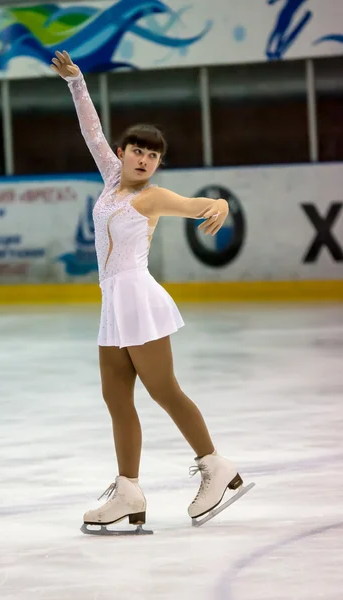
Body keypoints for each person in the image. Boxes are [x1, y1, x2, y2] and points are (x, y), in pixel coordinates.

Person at [51, 50, 246, 533]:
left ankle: (217, 467)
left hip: (137, 296)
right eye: (137, 150)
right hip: (113, 301)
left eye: (153, 155)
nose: (144, 159)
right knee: (116, 398)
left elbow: (195, 202)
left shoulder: (151, 197)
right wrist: (77, 82)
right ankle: (128, 491)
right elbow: (91, 131)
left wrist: (219, 201)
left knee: (163, 390)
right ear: (122, 153)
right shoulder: (112, 181)